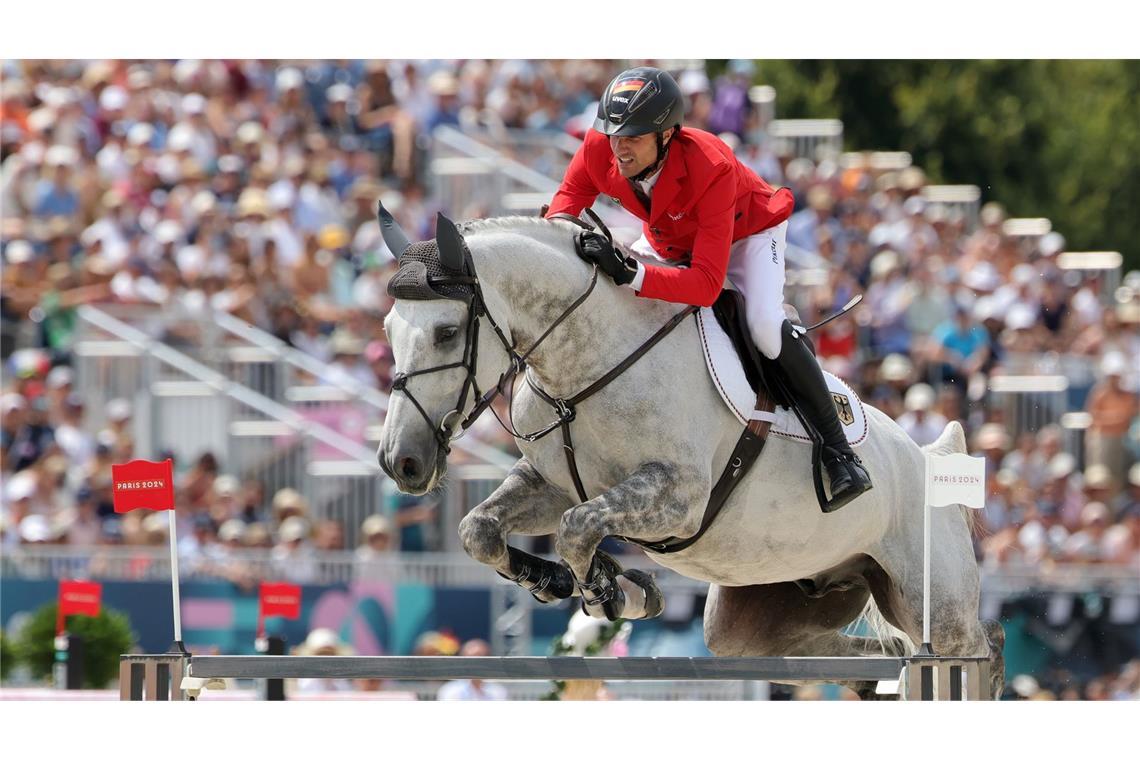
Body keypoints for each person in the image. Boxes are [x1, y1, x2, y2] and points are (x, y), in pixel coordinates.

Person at [544, 66, 871, 509]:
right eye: (615, 133)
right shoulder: (600, 146)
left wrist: (631, 271)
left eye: (634, 137)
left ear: (667, 135)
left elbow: (704, 284)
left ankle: (839, 453)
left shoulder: (709, 164)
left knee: (762, 326)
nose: (619, 147)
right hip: (670, 237)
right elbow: (563, 208)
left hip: (747, 236)